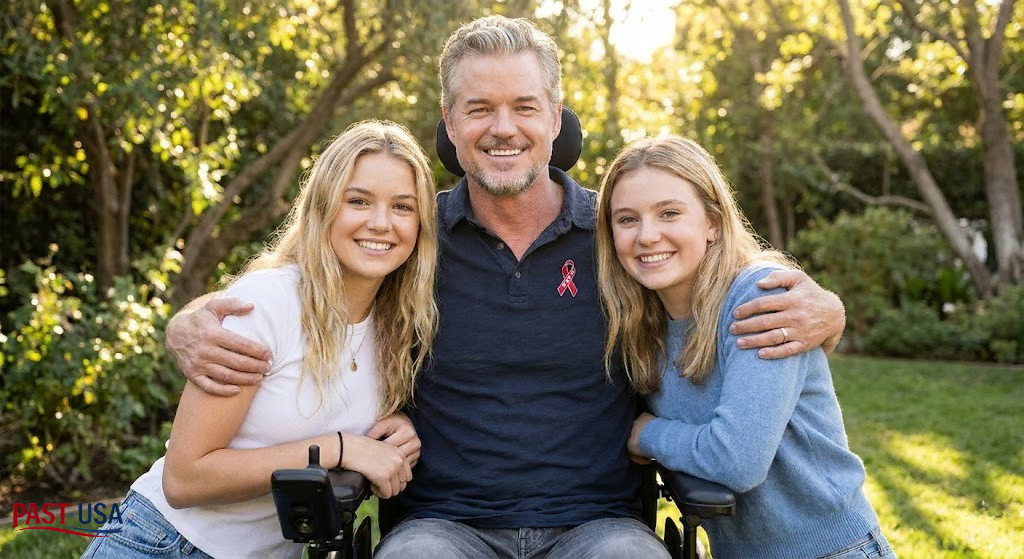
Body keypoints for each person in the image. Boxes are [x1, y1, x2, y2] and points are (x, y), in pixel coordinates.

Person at [165, 17, 848, 559]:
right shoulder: (413, 237)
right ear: (450, 122)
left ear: (554, 118)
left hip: (600, 524)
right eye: (479, 107)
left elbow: (715, 278)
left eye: (524, 106)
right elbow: (308, 275)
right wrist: (192, 319)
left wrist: (826, 308)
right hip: (441, 525)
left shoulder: (617, 238)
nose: (502, 128)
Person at [82, 120, 438, 559]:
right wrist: (339, 449)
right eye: (358, 201)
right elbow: (184, 480)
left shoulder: (398, 324)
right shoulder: (268, 304)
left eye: (402, 207)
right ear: (324, 209)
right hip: (166, 544)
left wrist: (396, 429)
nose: (381, 223)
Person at [596, 135, 895, 559]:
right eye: (627, 219)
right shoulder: (644, 322)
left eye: (670, 213)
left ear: (713, 222)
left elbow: (737, 461)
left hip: (832, 550)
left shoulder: (760, 297)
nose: (647, 235)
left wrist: (647, 434)